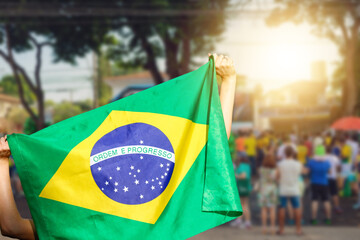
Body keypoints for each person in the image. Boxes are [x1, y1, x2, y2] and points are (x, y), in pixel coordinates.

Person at [0, 53, 238, 239]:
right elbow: (12, 227)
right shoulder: (158, 211)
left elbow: (13, 228)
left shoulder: (154, 210)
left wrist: (2, 163)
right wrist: (228, 82)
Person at [276, 146, 303, 236]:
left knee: (282, 208)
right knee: (297, 208)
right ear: (293, 153)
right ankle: (298, 230)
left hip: (283, 189)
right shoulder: (298, 164)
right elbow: (300, 174)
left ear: (285, 153)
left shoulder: (280, 164)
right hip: (294, 188)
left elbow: (277, 176)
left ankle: (281, 229)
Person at [306, 145, 332, 225]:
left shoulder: (311, 162)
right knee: (326, 201)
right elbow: (330, 172)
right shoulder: (327, 162)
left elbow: (307, 171)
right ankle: (328, 219)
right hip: (324, 183)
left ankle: (313, 219)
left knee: (314, 201)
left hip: (314, 183)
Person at [258, 150, 277, 235]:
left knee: (264, 209)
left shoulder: (261, 170)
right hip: (272, 189)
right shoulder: (275, 170)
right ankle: (272, 228)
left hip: (263, 189)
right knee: (272, 209)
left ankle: (264, 228)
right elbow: (276, 179)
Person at [234, 156, 252, 229]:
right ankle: (240, 220)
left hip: (241, 187)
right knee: (244, 204)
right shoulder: (248, 166)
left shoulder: (241, 166)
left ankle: (246, 222)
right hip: (247, 187)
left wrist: (236, 176)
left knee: (243, 204)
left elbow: (244, 176)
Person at [325, 145, 342, 213]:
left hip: (324, 178)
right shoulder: (335, 158)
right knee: (334, 193)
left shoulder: (323, 158)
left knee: (325, 194)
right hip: (333, 177)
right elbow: (339, 168)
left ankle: (326, 208)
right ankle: (337, 207)